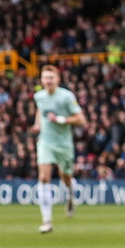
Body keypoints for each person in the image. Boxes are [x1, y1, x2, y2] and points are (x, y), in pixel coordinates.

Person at [32, 65, 86, 233]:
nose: (48, 81)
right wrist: (37, 124)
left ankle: (70, 195)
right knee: (43, 177)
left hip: (64, 144)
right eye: (45, 77)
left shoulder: (66, 97)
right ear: (41, 80)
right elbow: (40, 110)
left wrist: (60, 120)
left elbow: (81, 119)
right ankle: (47, 220)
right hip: (45, 142)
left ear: (57, 79)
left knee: (66, 177)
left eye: (51, 77)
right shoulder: (38, 96)